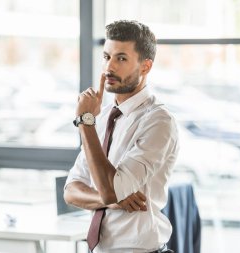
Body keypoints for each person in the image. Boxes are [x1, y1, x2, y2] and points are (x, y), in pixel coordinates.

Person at [64, 20, 179, 253]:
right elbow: (71, 191)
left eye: (121, 58)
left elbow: (110, 190)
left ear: (145, 67)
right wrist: (114, 200)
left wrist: (85, 121)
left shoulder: (158, 121)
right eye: (107, 57)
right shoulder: (103, 116)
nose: (109, 68)